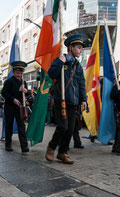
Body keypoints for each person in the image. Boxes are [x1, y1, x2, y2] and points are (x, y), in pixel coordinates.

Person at [45, 34, 87, 164]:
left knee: (70, 130)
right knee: (62, 127)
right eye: (78, 47)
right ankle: (52, 147)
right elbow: (51, 73)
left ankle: (63, 152)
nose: (80, 50)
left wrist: (83, 100)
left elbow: (81, 84)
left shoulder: (77, 66)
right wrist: (60, 63)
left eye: (81, 48)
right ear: (70, 47)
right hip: (61, 100)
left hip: (73, 102)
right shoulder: (60, 61)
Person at [1, 61, 29, 153]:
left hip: (20, 108)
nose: (19, 75)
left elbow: (27, 94)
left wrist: (25, 91)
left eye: (21, 73)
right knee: (9, 126)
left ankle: (24, 146)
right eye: (17, 73)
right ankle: (8, 144)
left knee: (21, 126)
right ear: (13, 72)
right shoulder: (9, 81)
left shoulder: (23, 81)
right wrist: (13, 99)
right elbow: (4, 93)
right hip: (10, 107)